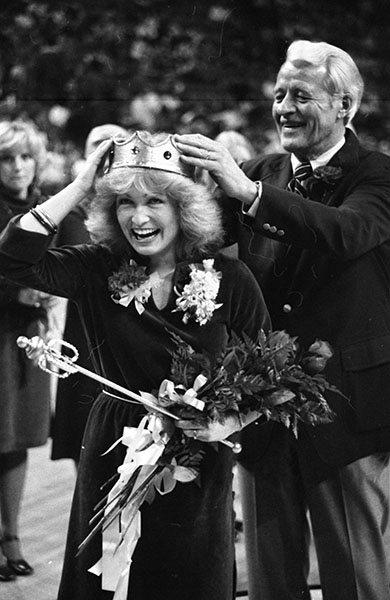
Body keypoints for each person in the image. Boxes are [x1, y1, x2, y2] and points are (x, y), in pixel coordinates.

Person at [0, 130, 270, 599]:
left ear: (184, 208)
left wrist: (226, 423)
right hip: (113, 443)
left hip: (198, 457)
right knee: (108, 582)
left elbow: (272, 372)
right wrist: (83, 185)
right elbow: (12, 258)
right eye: (124, 202)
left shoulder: (229, 276)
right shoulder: (95, 267)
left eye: (155, 202)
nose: (139, 217)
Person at [173, 40, 390, 600]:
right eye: (279, 94)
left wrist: (247, 192)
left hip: (347, 409)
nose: (285, 107)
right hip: (260, 412)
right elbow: (199, 251)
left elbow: (346, 234)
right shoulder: (259, 172)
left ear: (345, 105)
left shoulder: (377, 175)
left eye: (302, 95)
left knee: (357, 578)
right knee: (270, 576)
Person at [52, 123, 128, 465]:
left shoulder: (137, 211)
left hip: (127, 331)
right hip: (82, 332)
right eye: (99, 148)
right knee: (83, 432)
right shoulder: (69, 211)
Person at [0, 119, 54, 581]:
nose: (18, 167)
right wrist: (12, 293)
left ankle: (12, 536)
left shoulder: (45, 207)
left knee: (17, 439)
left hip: (28, 337)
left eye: (24, 157)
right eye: (6, 158)